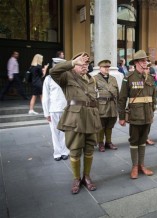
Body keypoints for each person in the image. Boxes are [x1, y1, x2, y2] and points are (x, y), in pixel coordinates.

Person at [50, 52, 101, 194]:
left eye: (86, 63)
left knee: (90, 148)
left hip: (91, 117)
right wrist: (72, 62)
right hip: (75, 119)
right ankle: (76, 178)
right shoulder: (66, 77)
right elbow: (53, 71)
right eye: (81, 63)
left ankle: (87, 176)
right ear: (74, 65)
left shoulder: (92, 79)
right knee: (75, 149)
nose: (85, 65)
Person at [118, 50, 156, 179]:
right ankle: (134, 166)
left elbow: (154, 97)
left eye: (146, 60)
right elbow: (122, 98)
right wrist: (122, 117)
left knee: (143, 141)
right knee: (134, 141)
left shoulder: (150, 78)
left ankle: (142, 165)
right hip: (135, 115)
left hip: (147, 115)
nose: (145, 63)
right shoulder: (128, 77)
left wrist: (152, 112)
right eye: (143, 60)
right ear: (136, 63)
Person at [42, 57, 69, 161]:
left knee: (64, 132)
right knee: (54, 132)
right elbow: (45, 97)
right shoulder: (48, 79)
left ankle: (64, 151)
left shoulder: (67, 77)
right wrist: (46, 113)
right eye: (56, 65)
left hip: (65, 109)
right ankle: (57, 153)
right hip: (53, 109)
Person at [94, 60, 118, 152]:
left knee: (110, 125)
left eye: (108, 67)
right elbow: (92, 94)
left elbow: (117, 93)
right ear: (100, 68)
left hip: (112, 105)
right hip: (101, 106)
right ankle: (100, 143)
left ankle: (108, 142)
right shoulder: (95, 78)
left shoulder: (113, 78)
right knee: (101, 125)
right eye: (105, 67)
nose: (107, 69)